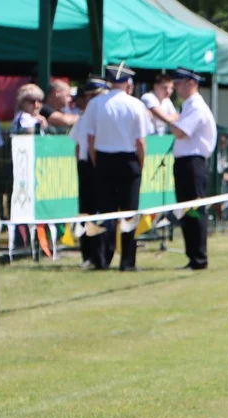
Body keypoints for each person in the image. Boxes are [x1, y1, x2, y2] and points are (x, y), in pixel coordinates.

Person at [79, 63, 149, 271]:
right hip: (128, 161)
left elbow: (90, 139)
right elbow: (141, 142)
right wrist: (140, 165)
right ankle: (127, 261)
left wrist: (96, 161)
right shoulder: (136, 105)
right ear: (127, 82)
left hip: (104, 160)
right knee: (129, 213)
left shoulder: (96, 104)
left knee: (104, 213)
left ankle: (102, 259)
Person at [170, 67, 217, 270]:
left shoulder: (196, 106)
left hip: (193, 163)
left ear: (191, 83)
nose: (175, 87)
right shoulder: (188, 106)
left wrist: (160, 114)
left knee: (195, 211)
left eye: (179, 83)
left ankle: (199, 257)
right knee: (186, 211)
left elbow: (180, 132)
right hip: (185, 163)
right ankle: (192, 256)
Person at [68, 75, 109, 269]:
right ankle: (88, 255)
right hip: (86, 166)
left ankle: (99, 256)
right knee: (86, 212)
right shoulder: (83, 118)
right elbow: (78, 146)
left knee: (99, 212)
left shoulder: (103, 117)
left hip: (99, 164)